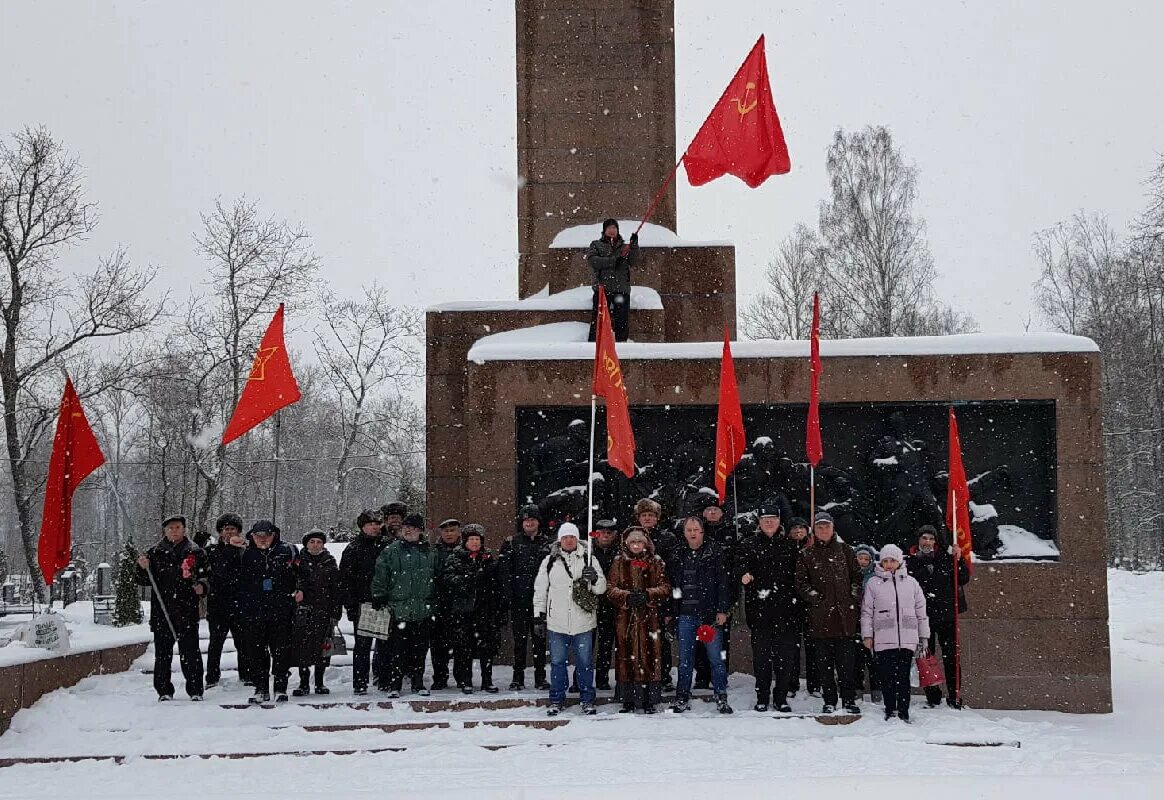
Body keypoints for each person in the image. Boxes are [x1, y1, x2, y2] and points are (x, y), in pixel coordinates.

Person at [532, 522, 607, 716]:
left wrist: (595, 579)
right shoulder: (549, 561)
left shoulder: (589, 559)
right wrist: (538, 616)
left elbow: (601, 589)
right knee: (557, 663)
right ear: (560, 539)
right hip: (557, 622)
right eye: (565, 537)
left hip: (583, 621)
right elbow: (541, 590)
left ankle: (587, 699)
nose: (568, 540)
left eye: (572, 537)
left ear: (577, 538)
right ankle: (556, 699)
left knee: (584, 663)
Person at [735, 504, 801, 712]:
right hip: (760, 612)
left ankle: (780, 698)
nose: (769, 522)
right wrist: (743, 572)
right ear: (759, 522)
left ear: (779, 521)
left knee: (785, 660)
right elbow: (739, 562)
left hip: (786, 612)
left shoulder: (791, 546)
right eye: (765, 519)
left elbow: (800, 574)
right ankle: (762, 696)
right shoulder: (749, 544)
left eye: (773, 518)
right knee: (761, 659)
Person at [796, 512, 862, 715]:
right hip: (820, 621)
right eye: (819, 527)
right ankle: (829, 700)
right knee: (824, 666)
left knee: (846, 665)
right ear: (814, 531)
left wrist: (852, 596)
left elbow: (857, 578)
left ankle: (848, 699)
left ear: (833, 529)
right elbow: (801, 584)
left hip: (845, 620)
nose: (823, 531)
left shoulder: (846, 551)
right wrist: (817, 599)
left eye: (827, 527)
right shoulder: (806, 554)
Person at [136, 514, 207, 701]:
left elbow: (206, 576)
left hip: (186, 610)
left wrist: (202, 586)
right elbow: (143, 580)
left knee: (190, 652)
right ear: (164, 531)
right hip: (162, 610)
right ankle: (164, 690)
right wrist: (142, 567)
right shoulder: (154, 552)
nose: (174, 531)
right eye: (170, 528)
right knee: (163, 654)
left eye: (177, 527)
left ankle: (195, 690)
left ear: (184, 529)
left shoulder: (196, 552)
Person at [667, 517, 733, 714]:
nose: (693, 533)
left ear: (703, 531)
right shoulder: (678, 554)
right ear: (684, 532)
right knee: (685, 659)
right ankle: (682, 696)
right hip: (685, 615)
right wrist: (671, 613)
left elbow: (723, 583)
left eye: (696, 529)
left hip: (709, 615)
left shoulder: (715, 552)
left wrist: (722, 609)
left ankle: (721, 695)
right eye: (689, 529)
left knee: (716, 658)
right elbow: (673, 587)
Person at [371, 514, 439, 698]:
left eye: (413, 527)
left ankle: (418, 683)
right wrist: (379, 596)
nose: (408, 530)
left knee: (420, 650)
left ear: (420, 531)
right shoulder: (391, 551)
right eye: (406, 527)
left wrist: (434, 602)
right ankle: (395, 684)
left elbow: (437, 579)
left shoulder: (430, 552)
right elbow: (380, 575)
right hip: (398, 609)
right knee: (397, 650)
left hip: (423, 609)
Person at [605, 527, 671, 713]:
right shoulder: (619, 562)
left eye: (639, 542)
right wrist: (626, 597)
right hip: (625, 619)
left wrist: (648, 594)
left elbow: (665, 586)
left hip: (649, 618)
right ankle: (628, 699)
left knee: (649, 656)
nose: (636, 545)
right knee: (627, 656)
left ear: (645, 543)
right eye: (632, 542)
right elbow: (610, 587)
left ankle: (649, 699)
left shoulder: (655, 562)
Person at [861, 544, 930, 723]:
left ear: (899, 562)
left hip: (906, 639)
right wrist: (867, 635)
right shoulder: (873, 583)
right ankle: (891, 708)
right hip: (883, 639)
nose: (889, 564)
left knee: (903, 677)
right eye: (885, 561)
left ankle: (904, 710)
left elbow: (921, 611)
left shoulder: (911, 583)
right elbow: (867, 611)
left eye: (892, 560)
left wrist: (923, 636)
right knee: (887, 677)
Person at [906, 524, 971, 708]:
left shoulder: (947, 558)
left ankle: (954, 695)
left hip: (946, 615)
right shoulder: (909, 561)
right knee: (926, 657)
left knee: (951, 657)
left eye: (931, 538)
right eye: (924, 538)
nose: (927, 542)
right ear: (918, 540)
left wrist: (959, 559)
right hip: (923, 617)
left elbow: (963, 578)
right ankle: (933, 695)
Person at [439, 524, 506, 693]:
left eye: (477, 539)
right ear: (465, 541)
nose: (475, 542)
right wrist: (468, 580)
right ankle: (466, 680)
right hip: (463, 611)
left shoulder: (489, 559)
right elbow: (448, 581)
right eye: (471, 539)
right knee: (464, 648)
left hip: (485, 611)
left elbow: (498, 584)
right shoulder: (455, 558)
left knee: (487, 648)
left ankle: (487, 680)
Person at [238, 520, 299, 703]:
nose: (262, 540)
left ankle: (280, 687)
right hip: (253, 611)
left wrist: (297, 591)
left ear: (274, 535)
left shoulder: (287, 550)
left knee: (281, 650)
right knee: (256, 652)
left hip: (280, 610)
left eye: (267, 536)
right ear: (252, 536)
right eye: (258, 536)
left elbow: (299, 574)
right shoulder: (245, 554)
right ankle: (260, 687)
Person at [499, 504, 553, 690]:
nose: (529, 523)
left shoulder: (548, 544)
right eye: (526, 520)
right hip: (519, 600)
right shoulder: (512, 543)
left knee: (540, 641)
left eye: (532, 520)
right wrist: (509, 596)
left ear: (538, 522)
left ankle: (540, 677)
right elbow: (504, 572)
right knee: (519, 641)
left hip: (541, 601)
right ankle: (517, 677)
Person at [339, 509, 388, 695]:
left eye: (377, 523)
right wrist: (351, 605)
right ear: (363, 527)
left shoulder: (387, 546)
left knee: (384, 645)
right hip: (363, 604)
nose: (374, 527)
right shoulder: (353, 549)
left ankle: (384, 679)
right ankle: (360, 682)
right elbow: (345, 580)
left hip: (383, 603)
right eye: (370, 524)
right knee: (362, 647)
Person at [695, 496, 739, 690]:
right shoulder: (697, 532)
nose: (712, 512)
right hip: (699, 592)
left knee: (721, 637)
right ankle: (702, 676)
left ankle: (720, 676)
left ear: (722, 513)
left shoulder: (731, 532)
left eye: (716, 509)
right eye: (709, 509)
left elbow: (737, 563)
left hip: (724, 591)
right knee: (700, 638)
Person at [633, 498, 678, 691]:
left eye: (651, 515)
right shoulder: (631, 537)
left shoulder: (668, 538)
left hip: (660, 597)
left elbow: (673, 571)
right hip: (637, 598)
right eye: (644, 515)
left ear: (657, 518)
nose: (647, 518)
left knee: (661, 641)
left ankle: (663, 676)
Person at [291, 529, 342, 696]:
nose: (315, 545)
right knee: (302, 648)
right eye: (312, 542)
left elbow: (336, 588)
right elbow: (293, 583)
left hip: (324, 611)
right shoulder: (298, 562)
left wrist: (336, 611)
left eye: (319, 542)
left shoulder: (330, 562)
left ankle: (319, 682)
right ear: (306, 544)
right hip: (303, 612)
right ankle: (304, 682)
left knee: (323, 648)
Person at [204, 512, 247, 688]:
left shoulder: (245, 550)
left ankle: (246, 674)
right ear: (220, 532)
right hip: (218, 605)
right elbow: (216, 571)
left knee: (243, 643)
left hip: (240, 604)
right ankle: (212, 677)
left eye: (233, 529)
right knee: (216, 643)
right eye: (226, 529)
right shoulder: (212, 551)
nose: (229, 532)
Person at [585, 218, 639, 342]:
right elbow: (592, 260)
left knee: (622, 321)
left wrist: (634, 245)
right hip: (603, 289)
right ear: (604, 230)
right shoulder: (596, 244)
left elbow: (634, 261)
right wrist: (613, 261)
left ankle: (622, 346)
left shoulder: (625, 247)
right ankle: (595, 346)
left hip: (621, 290)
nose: (612, 230)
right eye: (609, 228)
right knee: (599, 321)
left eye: (614, 228)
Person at [784, 516, 819, 698]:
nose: (798, 531)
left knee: (813, 646)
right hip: (790, 604)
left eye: (802, 528)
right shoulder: (785, 550)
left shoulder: (814, 549)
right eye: (795, 528)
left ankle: (815, 684)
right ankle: (791, 683)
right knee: (792, 647)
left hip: (811, 604)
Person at [429, 518, 463, 691]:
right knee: (438, 645)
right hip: (439, 605)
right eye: (446, 531)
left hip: (460, 605)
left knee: (461, 644)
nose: (449, 534)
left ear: (459, 532)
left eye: (452, 530)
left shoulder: (465, 550)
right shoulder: (433, 552)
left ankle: (461, 677)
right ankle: (440, 677)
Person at [589, 519, 620, 691]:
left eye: (609, 533)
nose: (605, 536)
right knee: (587, 645)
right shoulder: (588, 553)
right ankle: (581, 680)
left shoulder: (619, 554)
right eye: (602, 532)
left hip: (611, 605)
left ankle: (602, 678)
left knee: (606, 644)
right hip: (591, 604)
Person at [852, 543, 881, 703]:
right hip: (854, 622)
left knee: (874, 660)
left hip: (873, 623)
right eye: (859, 558)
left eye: (866, 559)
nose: (862, 562)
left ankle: (877, 689)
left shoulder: (876, 578)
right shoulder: (849, 575)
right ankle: (857, 688)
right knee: (857, 660)